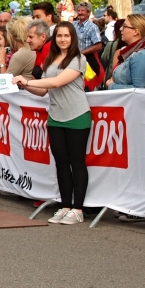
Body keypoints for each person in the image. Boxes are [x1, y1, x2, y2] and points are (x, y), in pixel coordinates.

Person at [12, 22, 91, 225]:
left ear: (73, 38)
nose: (63, 39)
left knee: (77, 162)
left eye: (67, 35)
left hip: (77, 116)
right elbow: (44, 90)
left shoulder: (78, 59)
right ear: (54, 38)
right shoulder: (50, 59)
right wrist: (25, 85)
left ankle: (78, 209)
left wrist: (28, 81)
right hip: (55, 116)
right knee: (61, 163)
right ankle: (65, 206)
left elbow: (57, 82)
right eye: (59, 36)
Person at [106, 14, 145, 90]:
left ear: (135, 31)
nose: (121, 29)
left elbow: (138, 89)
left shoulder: (141, 55)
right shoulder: (129, 52)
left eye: (125, 26)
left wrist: (111, 86)